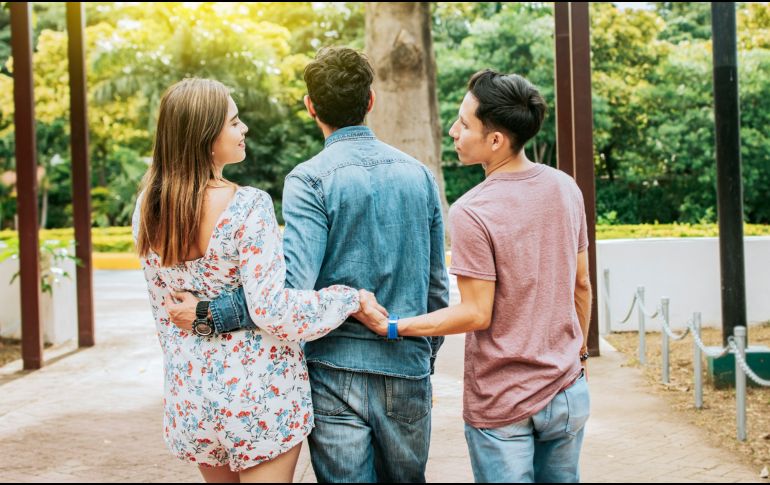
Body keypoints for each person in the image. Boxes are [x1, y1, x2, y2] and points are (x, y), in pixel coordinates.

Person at [166, 47, 450, 483]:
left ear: (310, 106)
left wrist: (208, 312)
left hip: (334, 372)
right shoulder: (420, 175)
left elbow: (288, 288)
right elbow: (436, 288)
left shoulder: (308, 180)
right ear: (370, 100)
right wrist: (419, 355)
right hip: (405, 364)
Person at [132, 77, 385, 483]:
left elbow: (166, 315)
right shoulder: (248, 205)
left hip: (191, 392)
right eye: (234, 122)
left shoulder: (147, 208)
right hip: (256, 393)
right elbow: (273, 310)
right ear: (205, 136)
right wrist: (347, 299)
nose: (243, 128)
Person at [359, 69, 592, 483]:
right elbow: (581, 285)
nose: (453, 131)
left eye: (464, 124)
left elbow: (475, 313)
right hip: (568, 390)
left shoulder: (473, 210)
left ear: (496, 140)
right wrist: (578, 357)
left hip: (503, 403)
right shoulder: (565, 188)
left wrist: (393, 326)